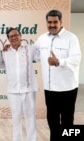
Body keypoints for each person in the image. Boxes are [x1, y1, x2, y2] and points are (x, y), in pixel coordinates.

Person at [33, 9, 82, 141]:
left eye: (55, 22)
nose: (52, 25)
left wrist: (59, 61)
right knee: (52, 120)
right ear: (46, 23)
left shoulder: (71, 38)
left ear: (61, 22)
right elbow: (33, 53)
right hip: (50, 89)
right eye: (49, 22)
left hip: (68, 88)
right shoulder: (42, 39)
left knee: (67, 121)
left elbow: (76, 59)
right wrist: (14, 47)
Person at [2, 28, 39, 141]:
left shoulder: (30, 49)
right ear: (8, 39)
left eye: (16, 35)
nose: (14, 38)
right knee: (16, 118)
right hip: (13, 91)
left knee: (30, 117)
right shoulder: (5, 52)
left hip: (29, 89)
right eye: (11, 36)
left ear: (20, 36)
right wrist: (3, 50)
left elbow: (40, 57)